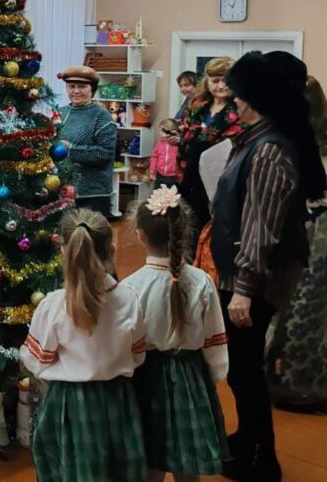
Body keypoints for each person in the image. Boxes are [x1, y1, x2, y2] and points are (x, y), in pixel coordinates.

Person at [210, 51, 326, 482]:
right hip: (244, 274)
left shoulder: (270, 150)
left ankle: (262, 459)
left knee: (245, 370)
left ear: (255, 98)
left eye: (238, 94)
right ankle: (247, 440)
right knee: (241, 369)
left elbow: (261, 227)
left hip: (254, 280)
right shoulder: (256, 139)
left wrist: (243, 289)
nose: (233, 101)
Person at [20, 209, 147, 482]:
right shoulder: (129, 298)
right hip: (118, 400)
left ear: (64, 251)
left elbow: (36, 360)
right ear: (111, 250)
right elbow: (137, 355)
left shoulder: (54, 304)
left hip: (69, 405)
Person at [124, 186, 229, 482]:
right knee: (187, 458)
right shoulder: (202, 281)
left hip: (146, 378)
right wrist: (214, 374)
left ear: (140, 236)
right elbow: (215, 339)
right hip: (190, 377)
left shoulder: (131, 287)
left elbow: (127, 345)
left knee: (150, 457)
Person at [265, 75, 327, 411]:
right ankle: (310, 381)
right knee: (319, 305)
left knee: (296, 303)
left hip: (304, 225)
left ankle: (294, 382)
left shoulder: (291, 138)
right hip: (323, 224)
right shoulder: (326, 135)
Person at [177, 57, 243, 249]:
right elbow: (186, 136)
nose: (221, 86)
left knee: (213, 239)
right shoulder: (197, 105)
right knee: (188, 233)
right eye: (215, 81)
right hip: (190, 178)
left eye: (225, 80)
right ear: (207, 82)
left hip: (220, 182)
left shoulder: (241, 108)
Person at [57, 65, 117, 217]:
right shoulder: (60, 113)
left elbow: (105, 153)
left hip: (92, 194)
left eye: (82, 86)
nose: (76, 91)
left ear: (92, 89)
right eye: (71, 86)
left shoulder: (101, 116)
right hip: (63, 191)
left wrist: (71, 149)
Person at [149, 118, 180, 189]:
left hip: (173, 176)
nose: (159, 133)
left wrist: (179, 174)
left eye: (162, 131)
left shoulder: (176, 145)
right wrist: (152, 170)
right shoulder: (159, 144)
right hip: (160, 175)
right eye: (160, 130)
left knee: (172, 194)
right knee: (158, 193)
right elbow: (154, 157)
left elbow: (180, 159)